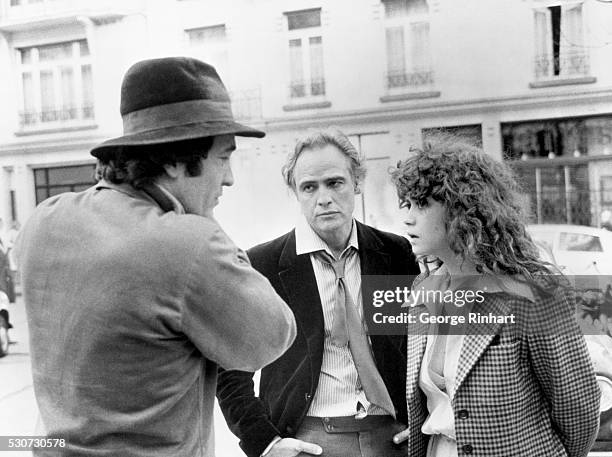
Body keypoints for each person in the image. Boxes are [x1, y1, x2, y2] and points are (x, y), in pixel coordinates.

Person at [15, 57, 296, 457]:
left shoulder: (45, 218)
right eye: (223, 157)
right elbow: (270, 338)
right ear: (174, 159)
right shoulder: (188, 243)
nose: (230, 178)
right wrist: (207, 226)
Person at [390, 134, 601, 457]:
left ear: (461, 208)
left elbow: (578, 410)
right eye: (407, 205)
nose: (407, 218)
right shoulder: (423, 291)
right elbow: (431, 405)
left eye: (421, 205)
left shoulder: (533, 295)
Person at [217, 128, 420, 457]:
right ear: (295, 192)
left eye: (335, 183)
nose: (323, 197)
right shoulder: (263, 265)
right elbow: (230, 370)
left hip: (392, 436)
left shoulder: (394, 253)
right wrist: (266, 444)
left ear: (357, 182)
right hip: (308, 439)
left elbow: (420, 348)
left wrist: (422, 421)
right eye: (309, 187)